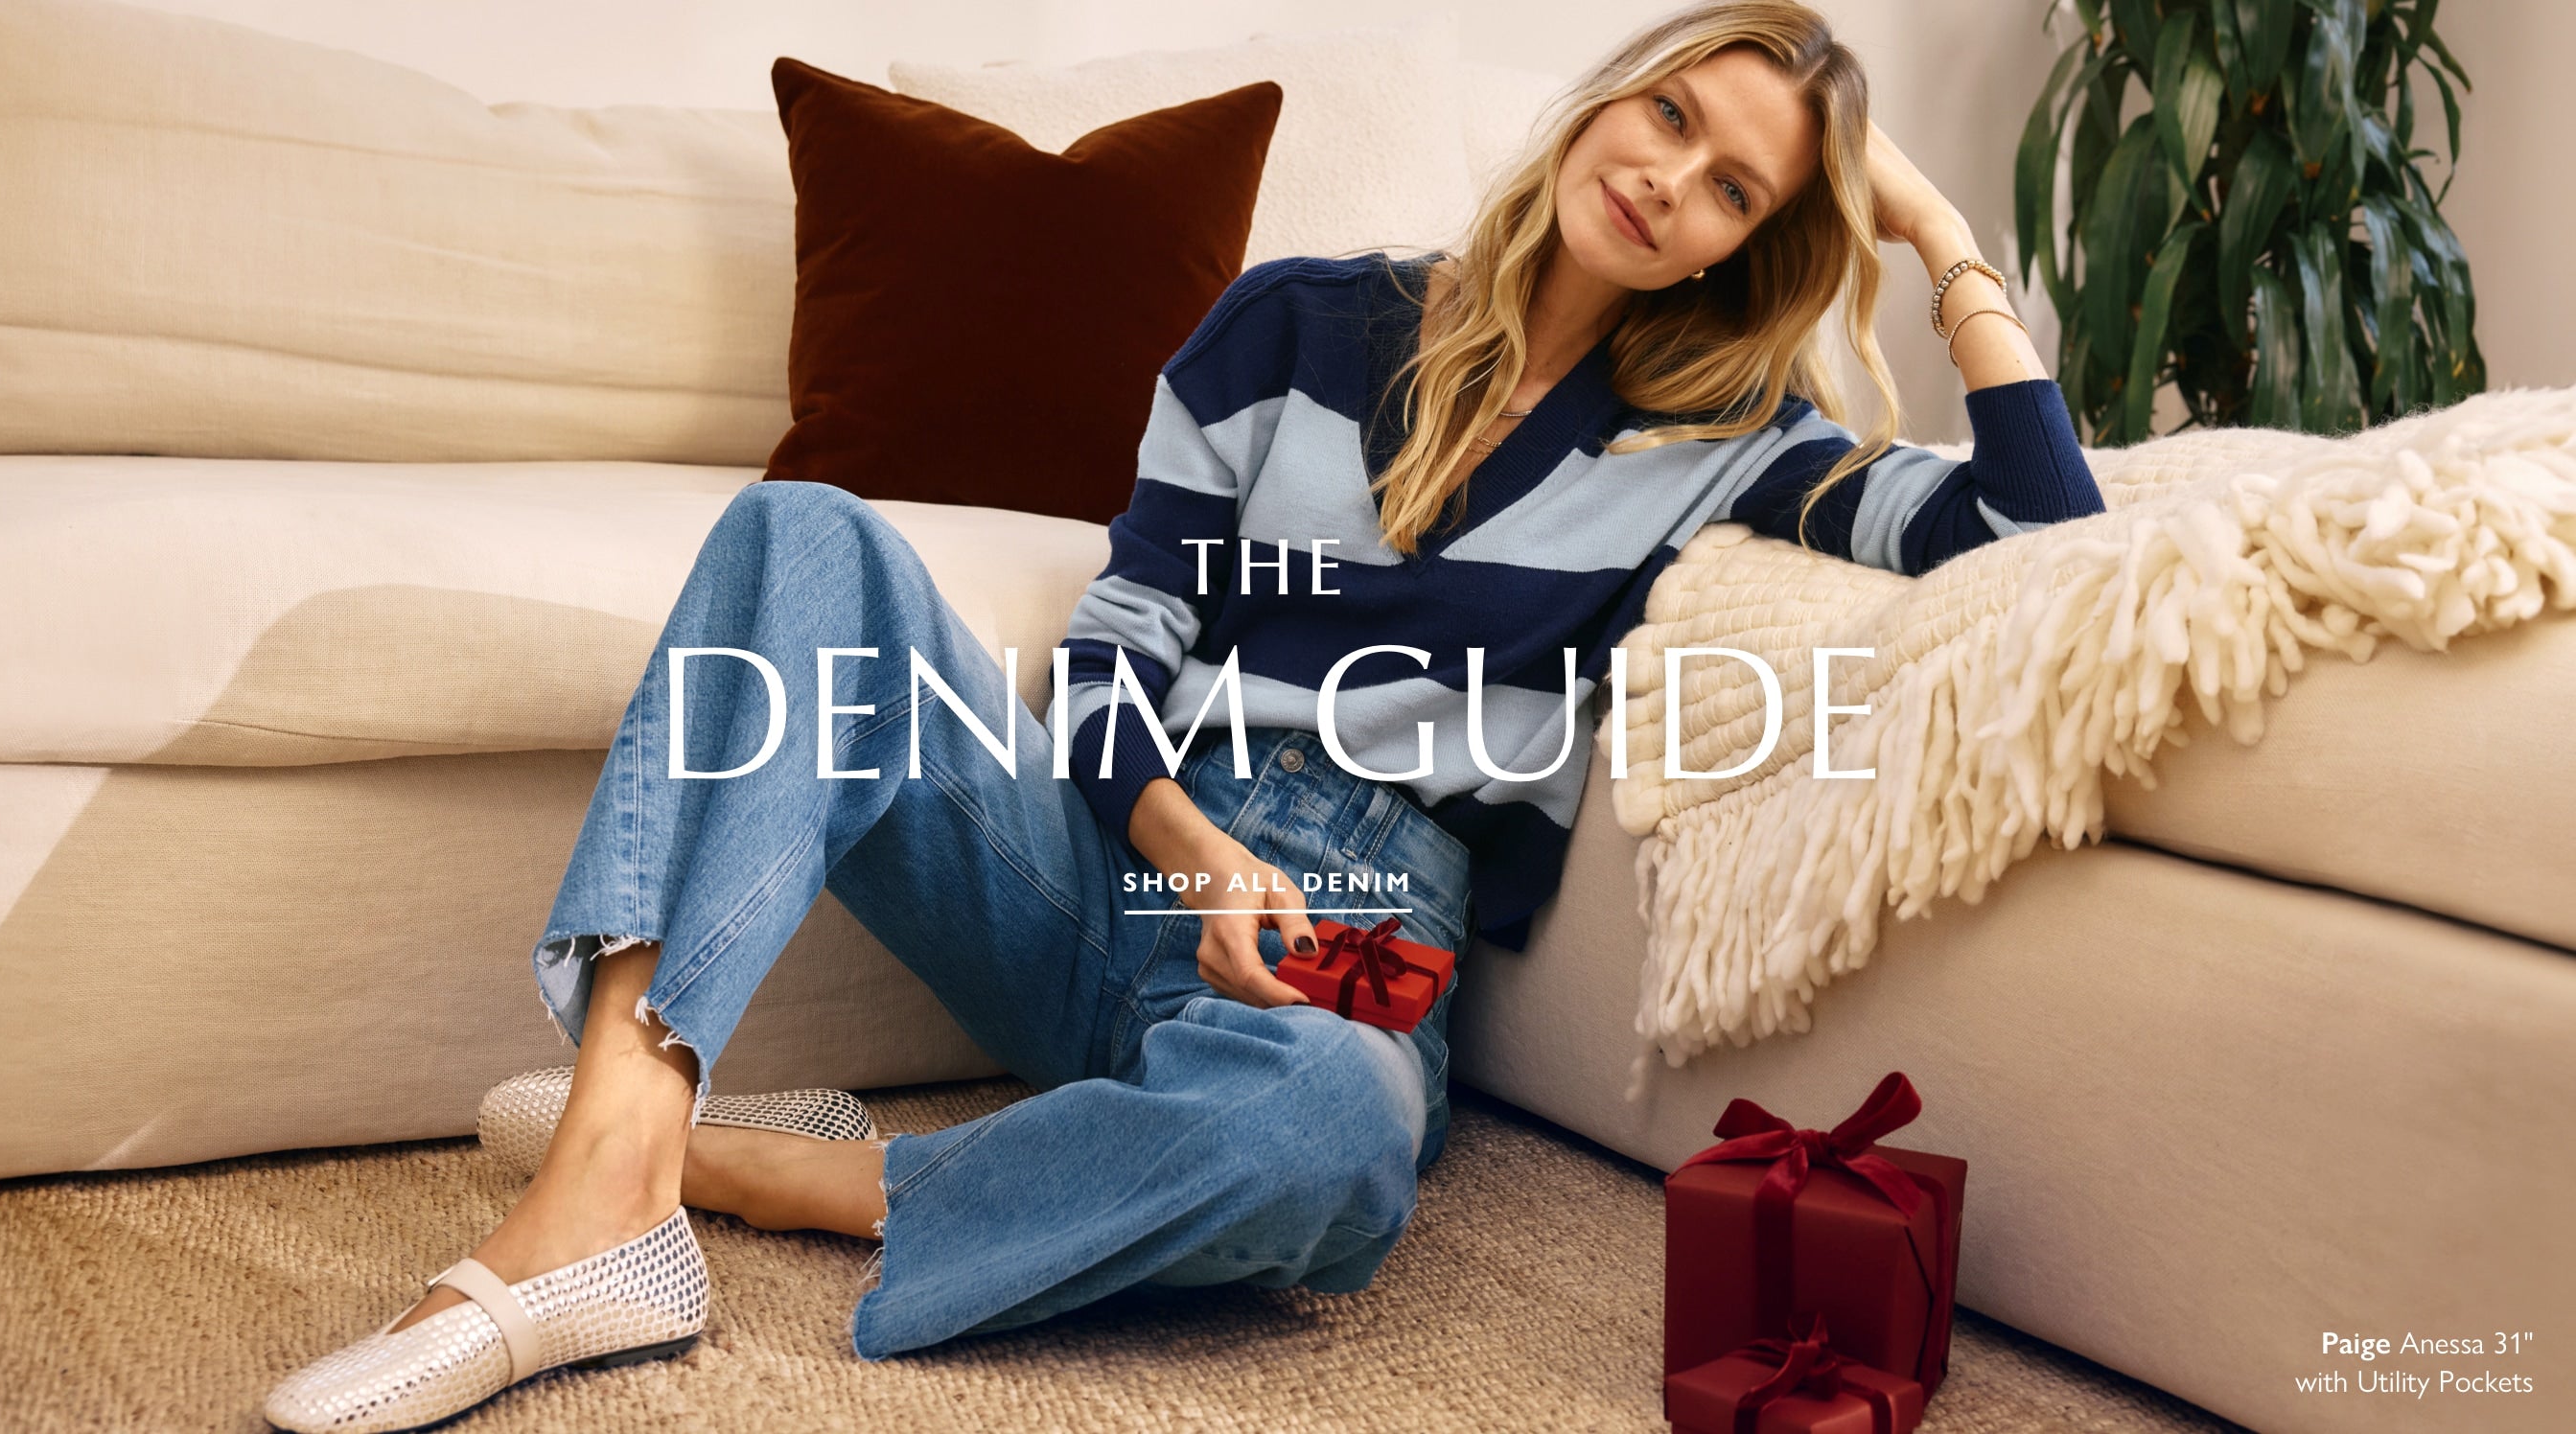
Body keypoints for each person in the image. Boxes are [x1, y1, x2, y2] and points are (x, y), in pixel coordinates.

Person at [265, 2, 2102, 1426]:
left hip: (1356, 926)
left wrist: (1941, 234)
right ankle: (609, 1177)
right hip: (1114, 851)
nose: (1667, 180)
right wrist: (1188, 846)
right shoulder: (1290, 324)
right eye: (1672, 114)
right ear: (1609, 95)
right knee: (802, 541)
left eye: (1735, 191)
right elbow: (1133, 637)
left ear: (1744, 249)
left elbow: (2039, 533)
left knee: (1332, 1149)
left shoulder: (1726, 452)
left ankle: (755, 1167)